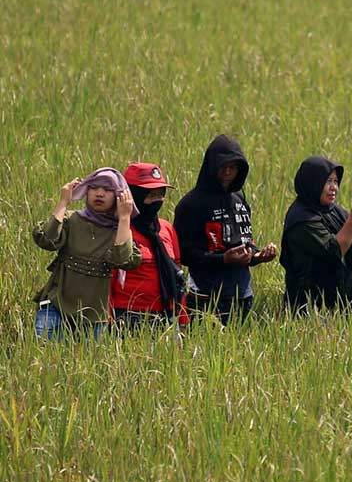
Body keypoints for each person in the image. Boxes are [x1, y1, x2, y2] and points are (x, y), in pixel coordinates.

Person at [173, 134, 277, 326]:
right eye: (223, 167)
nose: (228, 172)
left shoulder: (238, 197)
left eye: (233, 167)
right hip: (207, 297)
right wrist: (223, 259)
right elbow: (184, 254)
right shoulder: (191, 204)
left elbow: (245, 243)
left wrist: (258, 256)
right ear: (212, 166)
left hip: (243, 293)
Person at [31, 168, 141, 340]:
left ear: (120, 196)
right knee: (41, 359)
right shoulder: (71, 220)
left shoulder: (119, 232)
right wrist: (63, 203)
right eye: (94, 187)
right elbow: (47, 239)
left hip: (94, 318)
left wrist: (124, 218)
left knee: (88, 364)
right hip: (55, 308)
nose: (100, 193)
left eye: (108, 190)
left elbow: (122, 259)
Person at [280, 156, 352, 315]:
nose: (333, 187)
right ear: (313, 182)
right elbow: (334, 251)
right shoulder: (302, 219)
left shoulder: (334, 211)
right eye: (327, 181)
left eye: (336, 181)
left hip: (341, 301)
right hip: (312, 307)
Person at [110, 162, 190, 332]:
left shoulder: (166, 229)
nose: (156, 201)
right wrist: (108, 321)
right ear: (134, 195)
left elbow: (177, 277)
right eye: (150, 195)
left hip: (165, 317)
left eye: (160, 195)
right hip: (127, 317)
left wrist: (182, 320)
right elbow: (107, 280)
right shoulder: (120, 230)